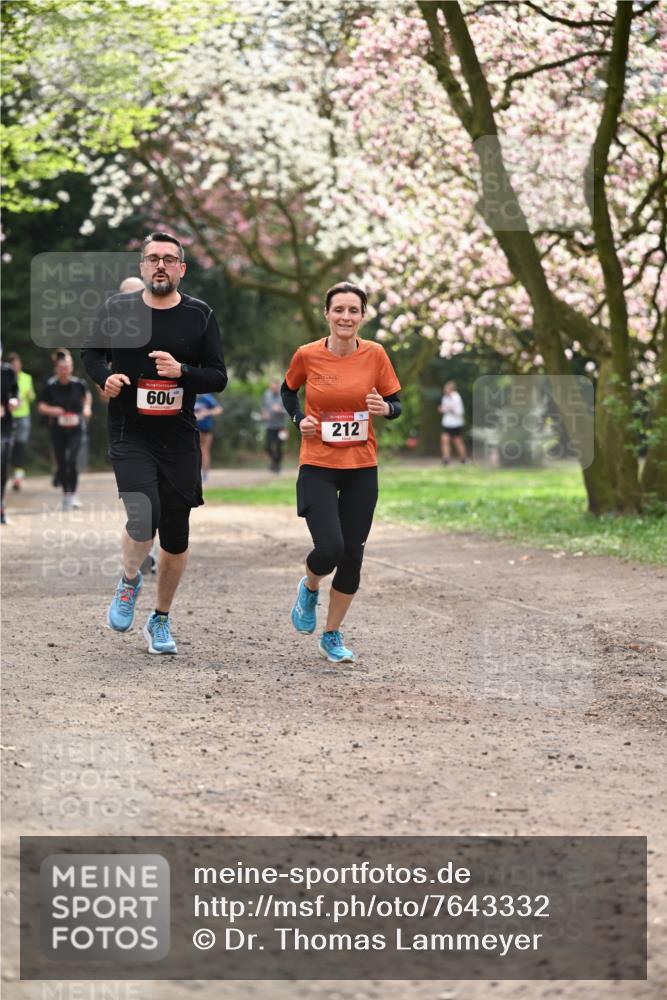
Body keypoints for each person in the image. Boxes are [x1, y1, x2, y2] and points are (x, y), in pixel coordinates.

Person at [82, 231, 227, 655]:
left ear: (181, 268)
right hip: (130, 431)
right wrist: (103, 377)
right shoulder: (118, 309)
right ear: (142, 267)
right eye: (152, 258)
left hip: (178, 437)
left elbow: (218, 376)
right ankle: (129, 582)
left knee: (176, 535)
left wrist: (181, 370)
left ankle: (160, 619)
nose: (160, 265)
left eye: (169, 259)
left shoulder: (199, 315)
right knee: (144, 512)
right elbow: (91, 354)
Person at [281, 281, 401, 664]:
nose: (346, 317)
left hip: (362, 467)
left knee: (352, 555)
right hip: (317, 463)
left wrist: (385, 409)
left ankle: (331, 634)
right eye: (339, 310)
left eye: (353, 310)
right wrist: (299, 419)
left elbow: (395, 403)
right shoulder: (307, 354)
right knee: (329, 549)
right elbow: (288, 391)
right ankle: (310, 585)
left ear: (363, 316)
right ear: (327, 314)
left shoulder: (376, 355)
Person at [37, 354, 91, 510]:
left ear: (71, 368)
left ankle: (72, 495)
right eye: (61, 368)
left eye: (66, 367)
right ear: (56, 369)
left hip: (76, 428)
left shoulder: (79, 384)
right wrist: (53, 410)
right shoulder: (50, 386)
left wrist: (86, 409)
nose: (64, 370)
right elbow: (41, 406)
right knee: (62, 461)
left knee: (72, 460)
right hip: (57, 429)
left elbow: (86, 398)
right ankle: (66, 494)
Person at [7, 352, 35, 491]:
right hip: (8, 416)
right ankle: (10, 474)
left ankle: (18, 476)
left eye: (17, 363)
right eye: (13, 364)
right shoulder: (5, 377)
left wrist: (29, 396)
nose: (15, 366)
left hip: (23, 416)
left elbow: (32, 397)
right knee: (8, 447)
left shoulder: (27, 378)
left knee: (20, 446)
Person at [1, 355, 19, 524]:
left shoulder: (8, 372)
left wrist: (13, 400)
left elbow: (15, 392)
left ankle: (1, 505)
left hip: (4, 426)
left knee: (2, 462)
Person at [194, 393, 223, 481]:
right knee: (193, 450)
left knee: (205, 450)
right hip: (192, 428)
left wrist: (207, 413)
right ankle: (194, 472)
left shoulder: (207, 397)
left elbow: (219, 409)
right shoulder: (188, 394)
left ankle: (205, 473)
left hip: (205, 428)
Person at [262, 377, 287, 473]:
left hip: (281, 426)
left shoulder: (283, 395)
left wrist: (280, 410)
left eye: (275, 388)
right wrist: (265, 414)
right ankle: (274, 462)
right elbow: (264, 407)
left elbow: (288, 411)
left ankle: (277, 466)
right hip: (270, 425)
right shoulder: (266, 394)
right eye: (272, 388)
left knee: (279, 446)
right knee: (267, 446)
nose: (274, 389)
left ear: (278, 387)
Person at [439, 380, 468, 464]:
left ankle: (464, 458)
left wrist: (450, 409)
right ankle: (446, 459)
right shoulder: (445, 398)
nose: (445, 390)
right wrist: (443, 409)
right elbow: (445, 408)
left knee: (457, 441)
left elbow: (459, 411)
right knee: (444, 439)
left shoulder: (456, 397)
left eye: (447, 389)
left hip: (456, 423)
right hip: (447, 423)